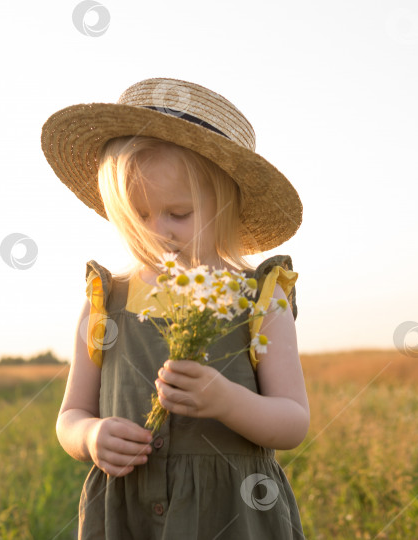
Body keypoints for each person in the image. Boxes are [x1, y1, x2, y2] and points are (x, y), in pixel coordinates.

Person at [42, 77, 309, 539]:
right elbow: (70, 416)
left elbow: (292, 422)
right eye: (138, 216)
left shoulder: (260, 298)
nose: (157, 233)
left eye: (178, 214)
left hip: (231, 514)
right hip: (130, 515)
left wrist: (228, 401)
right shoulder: (106, 301)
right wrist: (90, 437)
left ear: (226, 205)